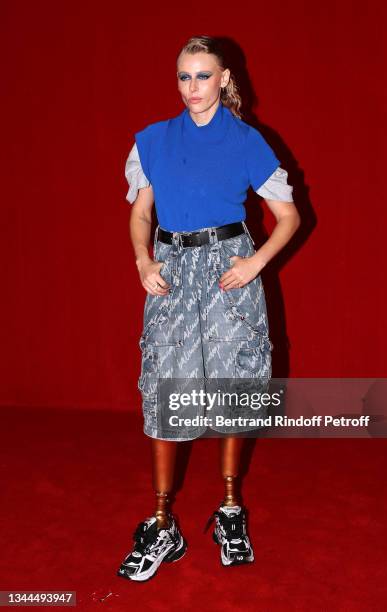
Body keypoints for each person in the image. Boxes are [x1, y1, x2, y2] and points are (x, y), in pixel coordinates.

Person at [117, 35, 301, 582]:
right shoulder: (150, 140)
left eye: (202, 76)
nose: (191, 87)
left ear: (223, 79)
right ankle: (162, 519)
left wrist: (254, 264)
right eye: (183, 77)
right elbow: (141, 214)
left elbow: (288, 217)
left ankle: (228, 511)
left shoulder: (248, 141)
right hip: (172, 269)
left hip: (229, 267)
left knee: (232, 384)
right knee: (165, 386)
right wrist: (142, 261)